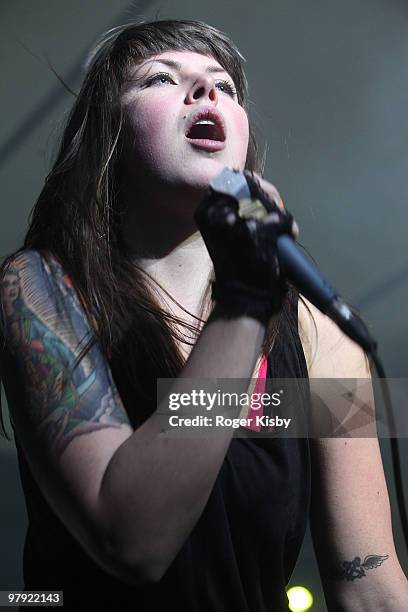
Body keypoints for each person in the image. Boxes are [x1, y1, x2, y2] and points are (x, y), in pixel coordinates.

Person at [0, 19, 407, 611]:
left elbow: (368, 582)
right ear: (108, 137)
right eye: (161, 79)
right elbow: (133, 539)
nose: (206, 92)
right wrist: (245, 304)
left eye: (225, 86)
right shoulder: (38, 290)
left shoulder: (318, 337)